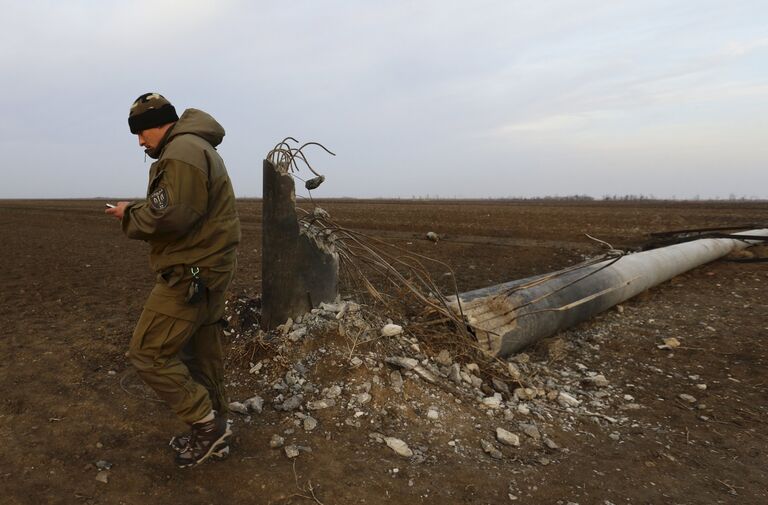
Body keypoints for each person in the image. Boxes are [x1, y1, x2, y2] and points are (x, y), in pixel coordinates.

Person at [106, 93, 241, 468]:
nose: (139, 141)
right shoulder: (195, 147)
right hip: (210, 268)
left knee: (148, 353)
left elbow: (172, 216)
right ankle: (217, 429)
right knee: (201, 352)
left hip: (190, 273)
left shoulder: (180, 153)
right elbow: (179, 208)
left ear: (159, 122)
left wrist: (129, 214)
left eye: (141, 131)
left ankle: (207, 427)